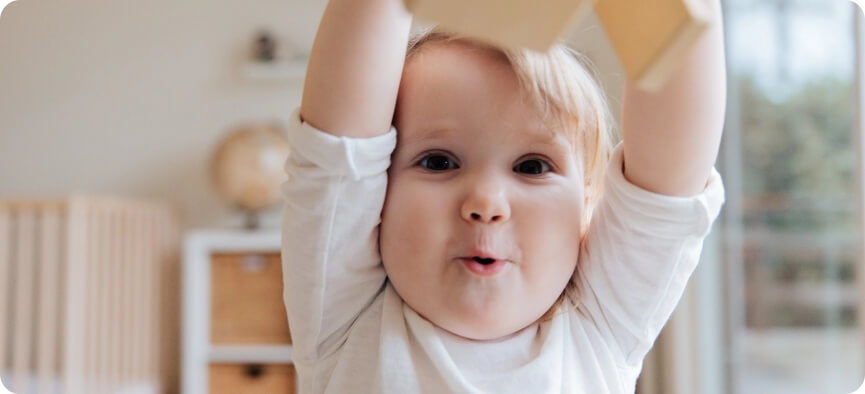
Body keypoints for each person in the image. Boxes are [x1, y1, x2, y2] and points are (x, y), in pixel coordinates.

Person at [280, 0, 726, 392]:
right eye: (439, 162)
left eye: (532, 167)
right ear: (377, 197)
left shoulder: (599, 325)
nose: (486, 203)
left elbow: (668, 186)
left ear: (586, 206)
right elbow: (339, 153)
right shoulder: (346, 314)